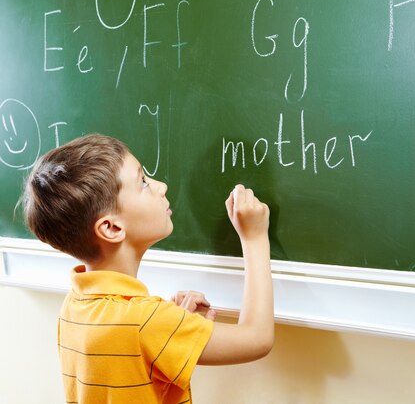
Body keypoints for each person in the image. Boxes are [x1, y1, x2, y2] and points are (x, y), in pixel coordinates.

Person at [20, 134, 274, 404]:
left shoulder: (74, 307)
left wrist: (175, 326)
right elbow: (257, 338)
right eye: (143, 182)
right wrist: (254, 238)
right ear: (112, 228)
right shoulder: (146, 322)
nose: (161, 186)